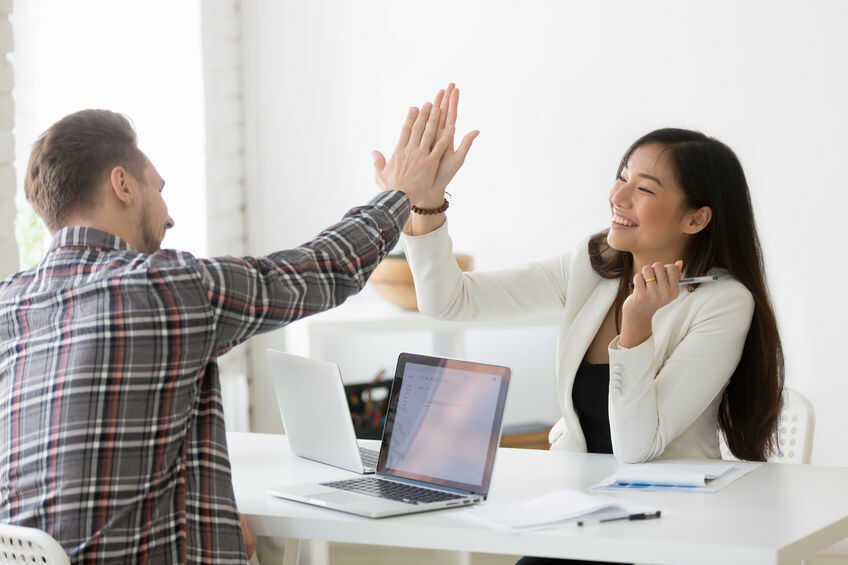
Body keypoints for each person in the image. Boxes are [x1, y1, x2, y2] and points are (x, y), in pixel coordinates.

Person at [0, 102, 452, 563]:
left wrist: (203, 510)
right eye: (159, 189)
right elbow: (325, 269)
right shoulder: (162, 286)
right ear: (122, 184)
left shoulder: (8, 303)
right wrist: (401, 193)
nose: (169, 217)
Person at [381, 85, 785, 565]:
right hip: (577, 513)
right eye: (622, 178)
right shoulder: (591, 268)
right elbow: (450, 302)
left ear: (696, 218)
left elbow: (637, 448)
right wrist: (426, 207)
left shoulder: (721, 304)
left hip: (667, 528)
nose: (619, 195)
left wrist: (635, 329)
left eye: (645, 189)